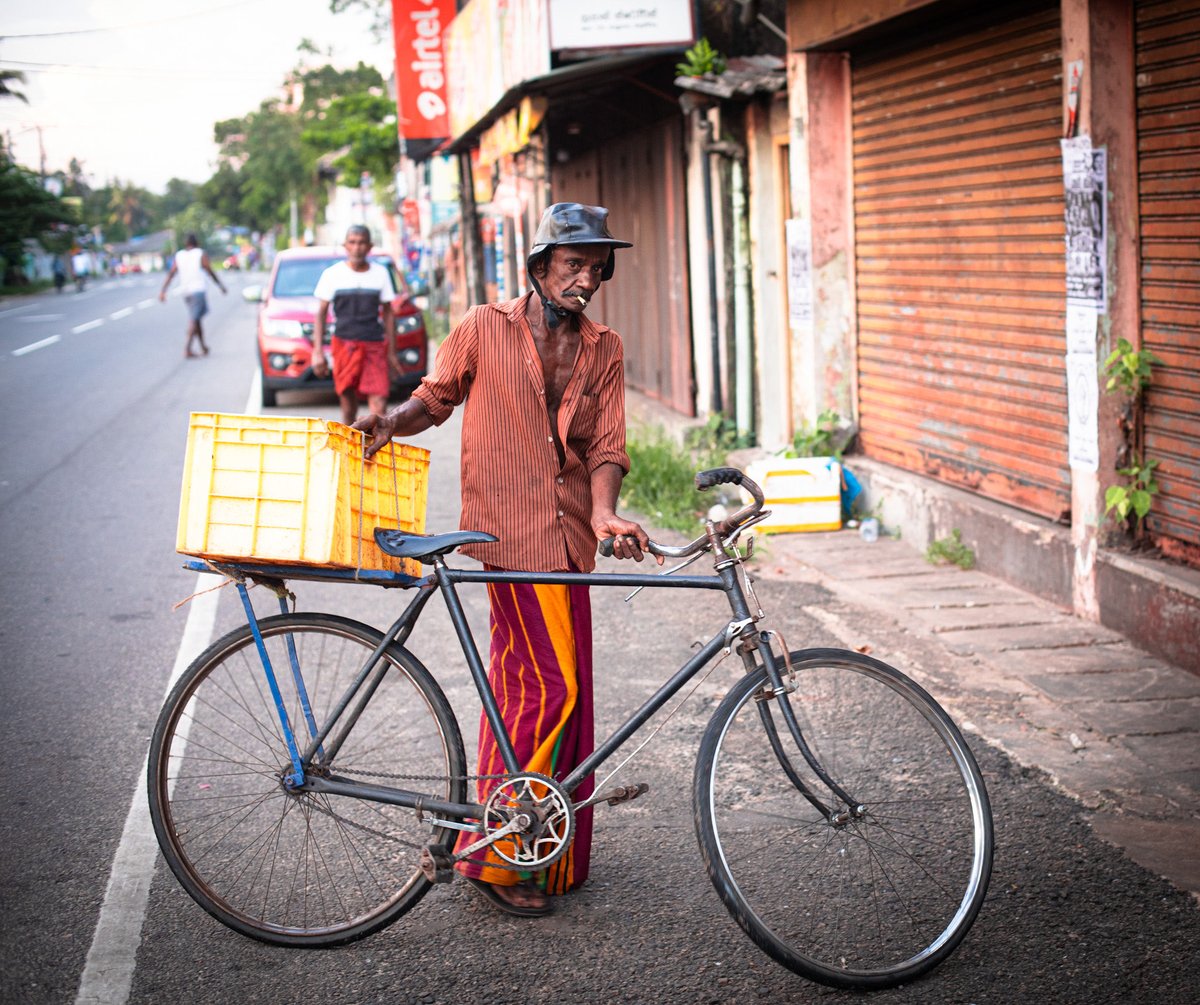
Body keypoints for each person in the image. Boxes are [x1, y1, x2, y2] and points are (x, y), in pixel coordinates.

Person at [353, 203, 660, 918]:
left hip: (568, 540)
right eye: (573, 264)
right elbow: (435, 399)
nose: (585, 279)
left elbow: (606, 445)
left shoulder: (603, 347)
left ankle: (541, 848)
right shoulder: (483, 328)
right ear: (540, 266)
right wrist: (389, 423)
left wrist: (607, 511)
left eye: (595, 268)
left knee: (550, 690)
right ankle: (495, 852)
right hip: (505, 536)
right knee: (545, 689)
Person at [306, 225, 400, 426]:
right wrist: (317, 352)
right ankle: (352, 449)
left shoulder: (380, 274)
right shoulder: (332, 274)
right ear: (345, 246)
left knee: (379, 402)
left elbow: (389, 313)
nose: (357, 247)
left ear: (370, 246)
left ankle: (375, 451)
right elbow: (321, 313)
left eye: (362, 242)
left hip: (374, 345)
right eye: (353, 242)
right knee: (348, 405)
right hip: (344, 345)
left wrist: (392, 353)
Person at [159, 234, 226, 357]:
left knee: (197, 318)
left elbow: (171, 273)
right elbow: (210, 271)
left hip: (186, 292)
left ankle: (203, 346)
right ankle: (187, 348)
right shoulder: (200, 254)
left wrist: (163, 291)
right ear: (197, 242)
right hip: (198, 291)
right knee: (194, 319)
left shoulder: (180, 255)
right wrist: (221, 286)